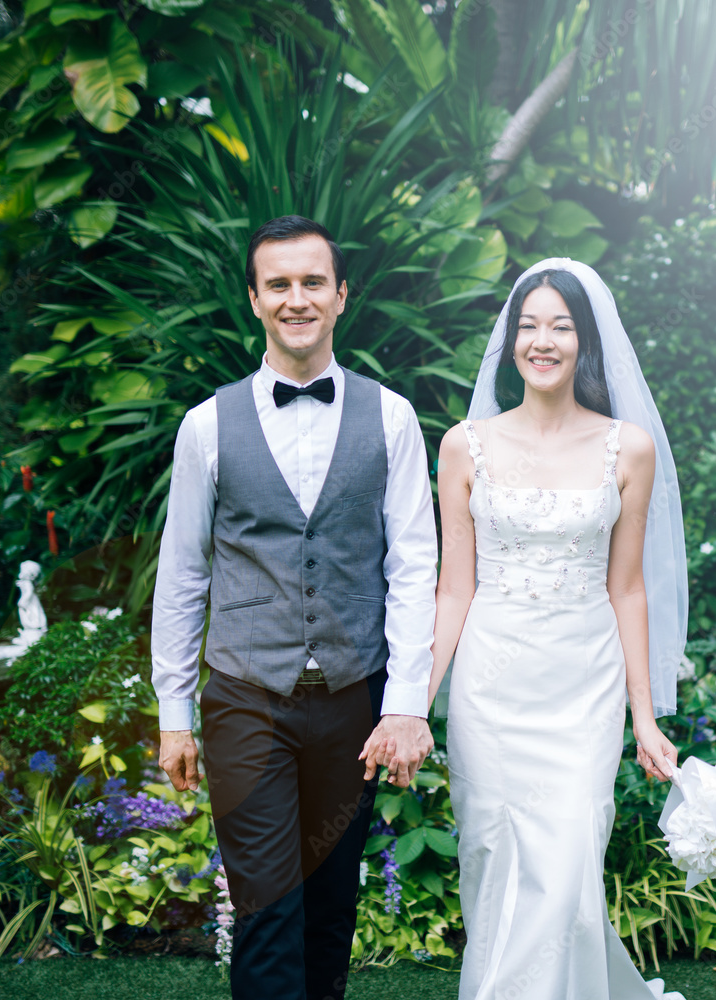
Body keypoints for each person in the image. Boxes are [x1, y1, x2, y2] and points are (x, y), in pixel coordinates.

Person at [151, 215, 437, 1000]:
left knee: (329, 910)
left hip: (355, 701)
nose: (296, 298)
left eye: (313, 282)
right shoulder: (207, 426)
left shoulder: (393, 418)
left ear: (341, 296)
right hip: (246, 697)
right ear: (254, 299)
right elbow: (182, 574)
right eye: (278, 284)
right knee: (268, 909)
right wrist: (175, 711)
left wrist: (407, 704)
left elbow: (415, 567)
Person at [427, 260, 689, 999]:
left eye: (561, 327)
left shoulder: (625, 447)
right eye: (529, 326)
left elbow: (628, 588)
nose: (543, 342)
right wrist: (412, 703)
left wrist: (646, 716)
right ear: (510, 340)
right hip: (490, 687)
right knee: (492, 859)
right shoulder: (463, 445)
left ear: (585, 342)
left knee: (570, 869)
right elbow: (454, 588)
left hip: (585, 684)